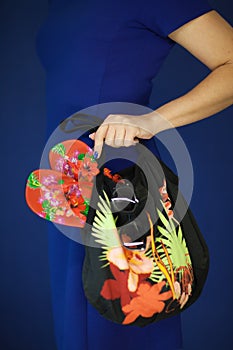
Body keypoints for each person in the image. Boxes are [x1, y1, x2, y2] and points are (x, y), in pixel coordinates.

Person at [36, 1, 233, 349]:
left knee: (124, 317)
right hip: (65, 182)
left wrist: (151, 121)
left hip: (118, 182)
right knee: (78, 324)